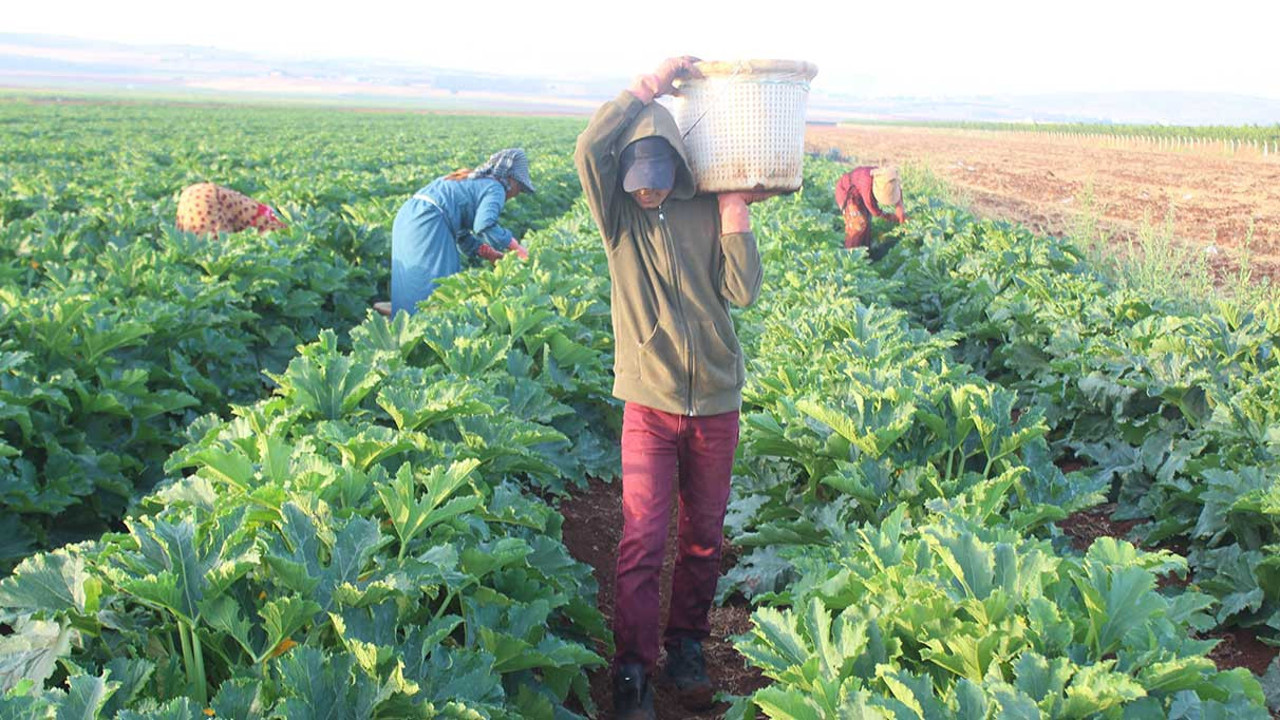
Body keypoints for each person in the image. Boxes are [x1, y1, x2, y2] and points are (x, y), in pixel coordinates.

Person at [575, 56, 766, 720]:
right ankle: (632, 673)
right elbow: (587, 148)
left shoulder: (703, 209)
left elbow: (741, 290)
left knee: (704, 537)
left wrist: (736, 214)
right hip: (649, 409)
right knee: (640, 539)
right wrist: (646, 87)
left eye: (659, 182)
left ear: (679, 172)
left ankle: (685, 646)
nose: (649, 192)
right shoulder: (618, 222)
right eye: (638, 182)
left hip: (716, 401)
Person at [389, 148, 533, 316]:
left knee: (410, 278)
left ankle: (404, 328)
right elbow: (484, 225)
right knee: (437, 284)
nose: (517, 194)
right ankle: (426, 331)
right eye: (520, 188)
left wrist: (486, 252)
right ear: (512, 180)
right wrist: (516, 248)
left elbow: (461, 233)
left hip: (408, 215)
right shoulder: (496, 188)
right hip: (429, 221)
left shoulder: (472, 179)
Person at [175, 182, 287, 237]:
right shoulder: (275, 228)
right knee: (210, 246)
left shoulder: (266, 214)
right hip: (207, 200)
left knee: (188, 239)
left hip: (193, 193)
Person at [835, 165, 906, 249]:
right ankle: (850, 253)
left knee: (867, 220)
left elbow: (896, 188)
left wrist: (899, 207)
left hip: (859, 193)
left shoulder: (886, 178)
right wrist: (889, 216)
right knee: (858, 223)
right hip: (846, 192)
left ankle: (865, 251)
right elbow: (874, 210)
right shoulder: (867, 186)